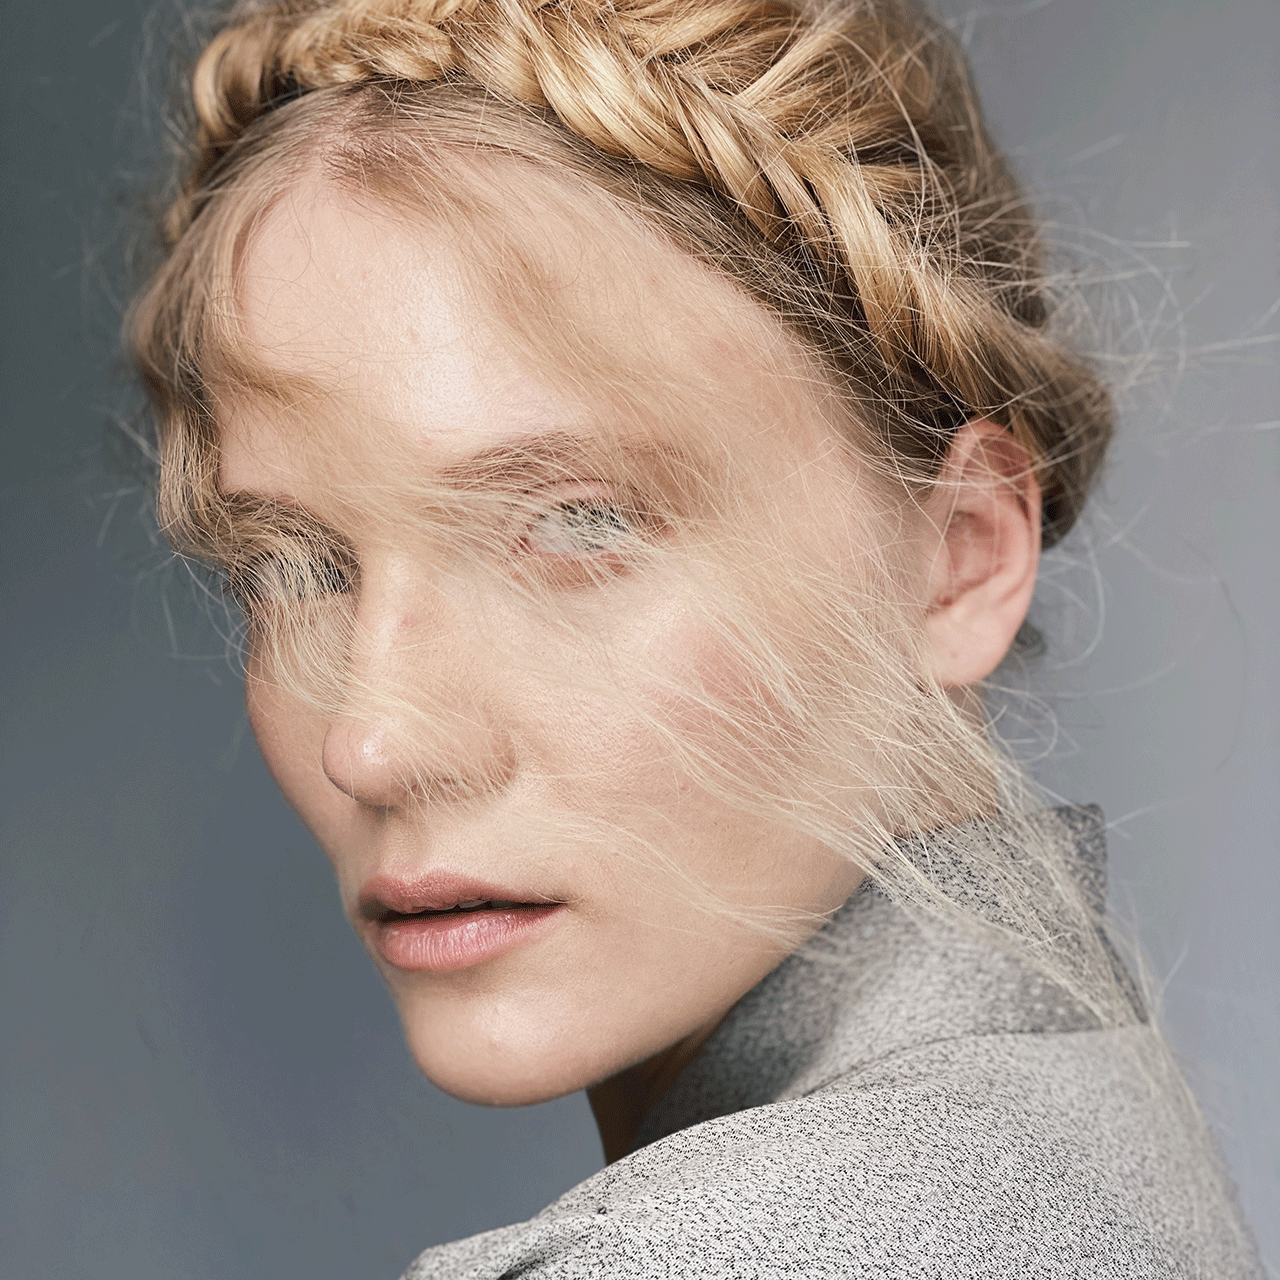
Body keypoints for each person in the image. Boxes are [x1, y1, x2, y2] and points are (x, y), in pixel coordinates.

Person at [128, 0, 1263, 1274]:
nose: (372, 741)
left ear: (958, 556)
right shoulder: (1098, 1149)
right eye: (296, 563)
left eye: (576, 523)